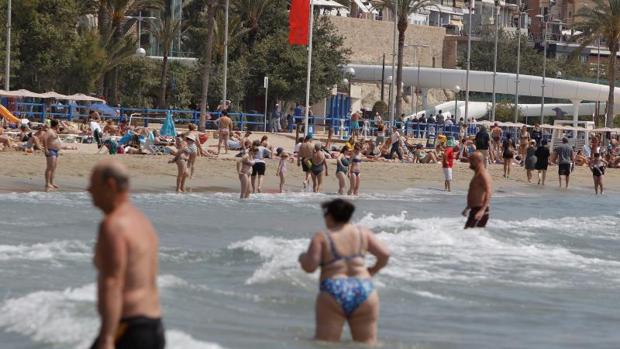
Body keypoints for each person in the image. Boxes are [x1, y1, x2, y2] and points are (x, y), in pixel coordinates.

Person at [87, 160, 164, 349]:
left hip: (130, 329)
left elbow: (113, 281)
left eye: (93, 184)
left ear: (110, 185)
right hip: (153, 327)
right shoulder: (141, 221)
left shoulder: (113, 225)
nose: (88, 190)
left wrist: (106, 338)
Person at [298, 199, 390, 345]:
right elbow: (385, 254)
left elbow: (310, 267)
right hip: (364, 288)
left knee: (326, 344)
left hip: (334, 289)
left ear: (329, 216)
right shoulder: (362, 233)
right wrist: (372, 270)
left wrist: (302, 258)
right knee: (367, 344)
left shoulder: (322, 237)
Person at [463, 152, 493, 229]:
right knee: (469, 235)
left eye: (472, 160)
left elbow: (489, 192)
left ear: (479, 161)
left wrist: (482, 210)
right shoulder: (477, 174)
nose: (469, 162)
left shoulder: (483, 175)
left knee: (468, 234)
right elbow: (475, 193)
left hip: (479, 210)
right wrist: (468, 207)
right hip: (474, 209)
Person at [43, 119, 61, 192]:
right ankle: (47, 183)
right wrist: (46, 149)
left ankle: (51, 183)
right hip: (51, 150)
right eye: (58, 124)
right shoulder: (50, 131)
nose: (59, 125)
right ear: (56, 124)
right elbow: (44, 138)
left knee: (53, 168)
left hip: (56, 151)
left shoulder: (54, 131)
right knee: (49, 167)